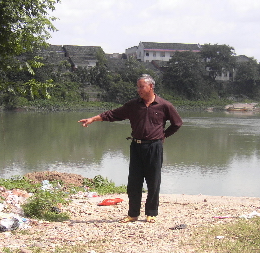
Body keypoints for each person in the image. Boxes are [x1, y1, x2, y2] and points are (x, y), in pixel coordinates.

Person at [78, 74, 182, 223]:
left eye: (141, 86)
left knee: (154, 181)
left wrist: (163, 136)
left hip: (154, 147)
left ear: (151, 87)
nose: (138, 89)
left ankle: (151, 213)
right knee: (134, 182)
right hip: (136, 146)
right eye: (138, 86)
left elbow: (177, 123)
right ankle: (133, 214)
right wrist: (93, 119)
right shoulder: (133, 105)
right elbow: (113, 114)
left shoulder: (164, 105)